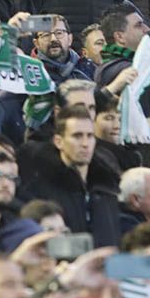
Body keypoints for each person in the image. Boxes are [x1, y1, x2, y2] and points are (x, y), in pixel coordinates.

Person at [18, 104, 121, 247]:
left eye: (90, 136)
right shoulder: (39, 190)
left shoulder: (107, 188)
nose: (85, 143)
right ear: (58, 141)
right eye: (77, 136)